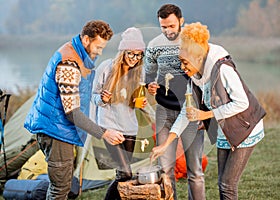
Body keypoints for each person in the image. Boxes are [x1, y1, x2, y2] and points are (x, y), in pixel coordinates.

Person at [151, 22, 266, 200]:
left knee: (228, 185)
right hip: (225, 130)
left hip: (245, 127)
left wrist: (206, 115)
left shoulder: (222, 68)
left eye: (184, 62)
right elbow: (186, 113)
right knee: (222, 183)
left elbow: (242, 103)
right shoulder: (194, 76)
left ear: (197, 58)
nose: (182, 67)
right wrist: (165, 145)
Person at [24, 20, 126, 200]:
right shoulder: (68, 62)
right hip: (55, 130)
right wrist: (104, 133)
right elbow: (71, 112)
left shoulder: (77, 53)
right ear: (86, 39)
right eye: (98, 46)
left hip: (61, 128)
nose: (100, 52)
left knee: (62, 185)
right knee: (60, 188)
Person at [145, 4, 206, 199]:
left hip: (191, 110)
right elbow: (149, 74)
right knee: (166, 170)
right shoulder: (154, 45)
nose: (168, 31)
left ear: (181, 21)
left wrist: (204, 113)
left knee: (194, 171)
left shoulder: (191, 42)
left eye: (171, 26)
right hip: (164, 110)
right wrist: (150, 86)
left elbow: (204, 78)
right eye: (163, 27)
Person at [92, 27, 146, 200]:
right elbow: (93, 97)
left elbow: (134, 102)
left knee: (122, 174)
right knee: (125, 173)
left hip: (130, 128)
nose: (134, 59)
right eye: (131, 53)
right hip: (110, 127)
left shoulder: (139, 71)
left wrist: (141, 104)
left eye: (138, 55)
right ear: (123, 51)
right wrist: (102, 99)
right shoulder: (106, 68)